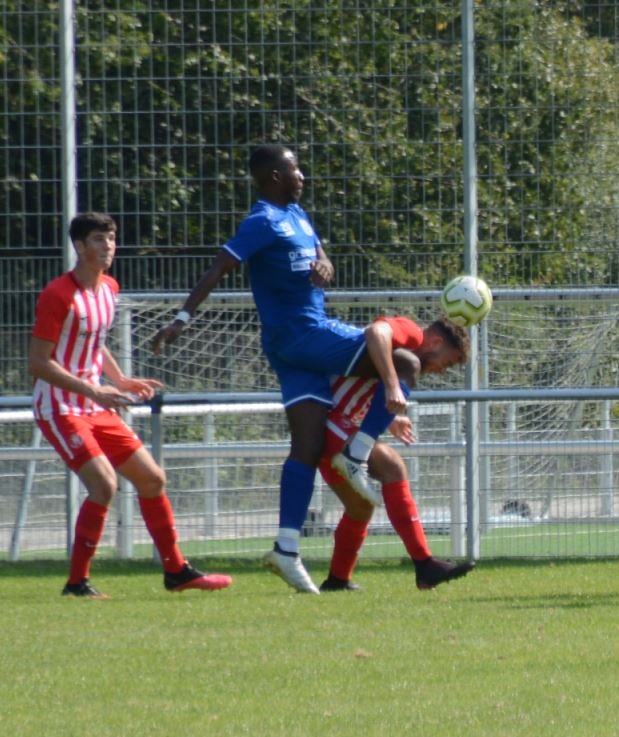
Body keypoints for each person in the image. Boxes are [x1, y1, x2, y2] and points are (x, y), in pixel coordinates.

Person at [151, 145, 408, 594]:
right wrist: (182, 319)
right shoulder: (262, 221)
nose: (302, 175)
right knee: (404, 361)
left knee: (306, 447)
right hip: (302, 334)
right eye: (295, 169)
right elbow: (219, 268)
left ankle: (286, 549)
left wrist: (325, 265)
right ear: (274, 176)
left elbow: (321, 256)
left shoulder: (297, 215)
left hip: (290, 349)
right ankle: (357, 452)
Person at [31, 213, 232, 598]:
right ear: (79, 246)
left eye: (111, 238)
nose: (108, 246)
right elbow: (39, 364)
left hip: (94, 404)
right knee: (104, 485)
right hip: (60, 408)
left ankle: (177, 571)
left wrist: (120, 380)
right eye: (98, 239)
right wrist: (94, 391)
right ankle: (77, 583)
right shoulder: (58, 294)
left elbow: (93, 341)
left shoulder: (109, 287)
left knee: (152, 479)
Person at [316, 315, 477, 591]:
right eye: (447, 362)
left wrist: (388, 418)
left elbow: (365, 380)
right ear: (435, 341)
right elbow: (375, 331)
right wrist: (392, 386)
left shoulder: (399, 358)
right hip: (329, 420)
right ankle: (424, 564)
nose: (442, 371)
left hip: (338, 423)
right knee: (391, 466)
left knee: (361, 507)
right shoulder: (411, 333)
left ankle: (338, 580)